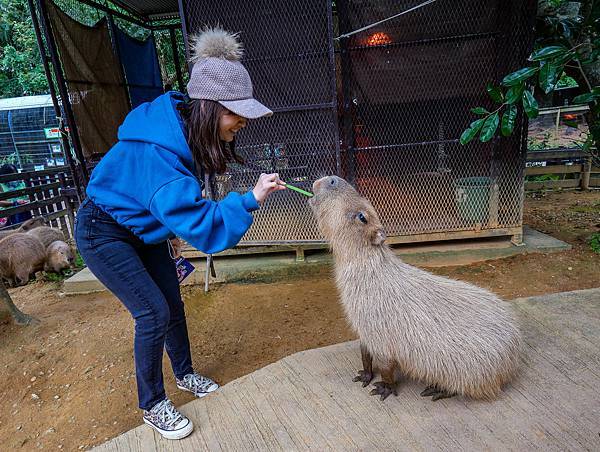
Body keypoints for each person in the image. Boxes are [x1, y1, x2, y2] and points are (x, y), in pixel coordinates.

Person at [74, 28, 286, 440]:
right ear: (207, 108)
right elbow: (205, 229)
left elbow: (170, 207)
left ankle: (185, 374)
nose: (241, 121)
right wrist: (251, 198)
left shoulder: (179, 127)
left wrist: (164, 230)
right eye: (235, 112)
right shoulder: (160, 155)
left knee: (172, 302)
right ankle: (153, 404)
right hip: (103, 231)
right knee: (152, 311)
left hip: (141, 229)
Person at [0, 163, 31, 227]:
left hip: (23, 209)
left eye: (15, 173)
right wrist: (14, 203)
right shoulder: (1, 185)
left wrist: (24, 201)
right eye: (11, 174)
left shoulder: (21, 183)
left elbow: (26, 196)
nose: (14, 176)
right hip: (7, 213)